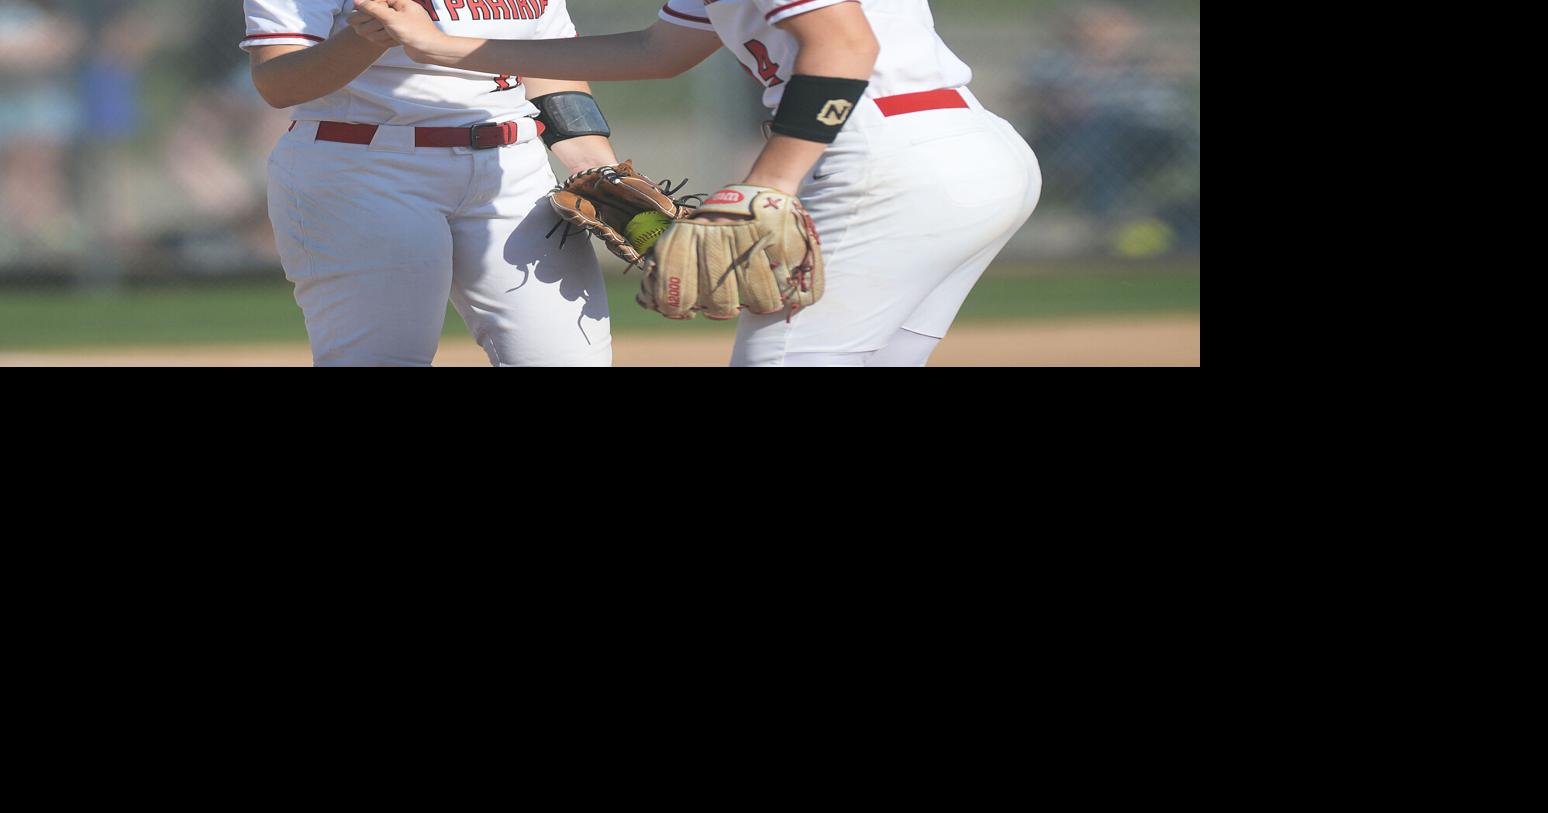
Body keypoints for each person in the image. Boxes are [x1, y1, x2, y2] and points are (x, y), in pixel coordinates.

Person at [351, 0, 1043, 368]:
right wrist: (448, 49)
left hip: (883, 159)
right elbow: (659, 52)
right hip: (978, 153)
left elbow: (845, 46)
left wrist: (765, 186)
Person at [244, 0, 641, 366]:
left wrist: (603, 172)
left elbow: (550, 66)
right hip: (366, 165)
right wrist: (365, 37)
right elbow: (278, 83)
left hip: (513, 164)